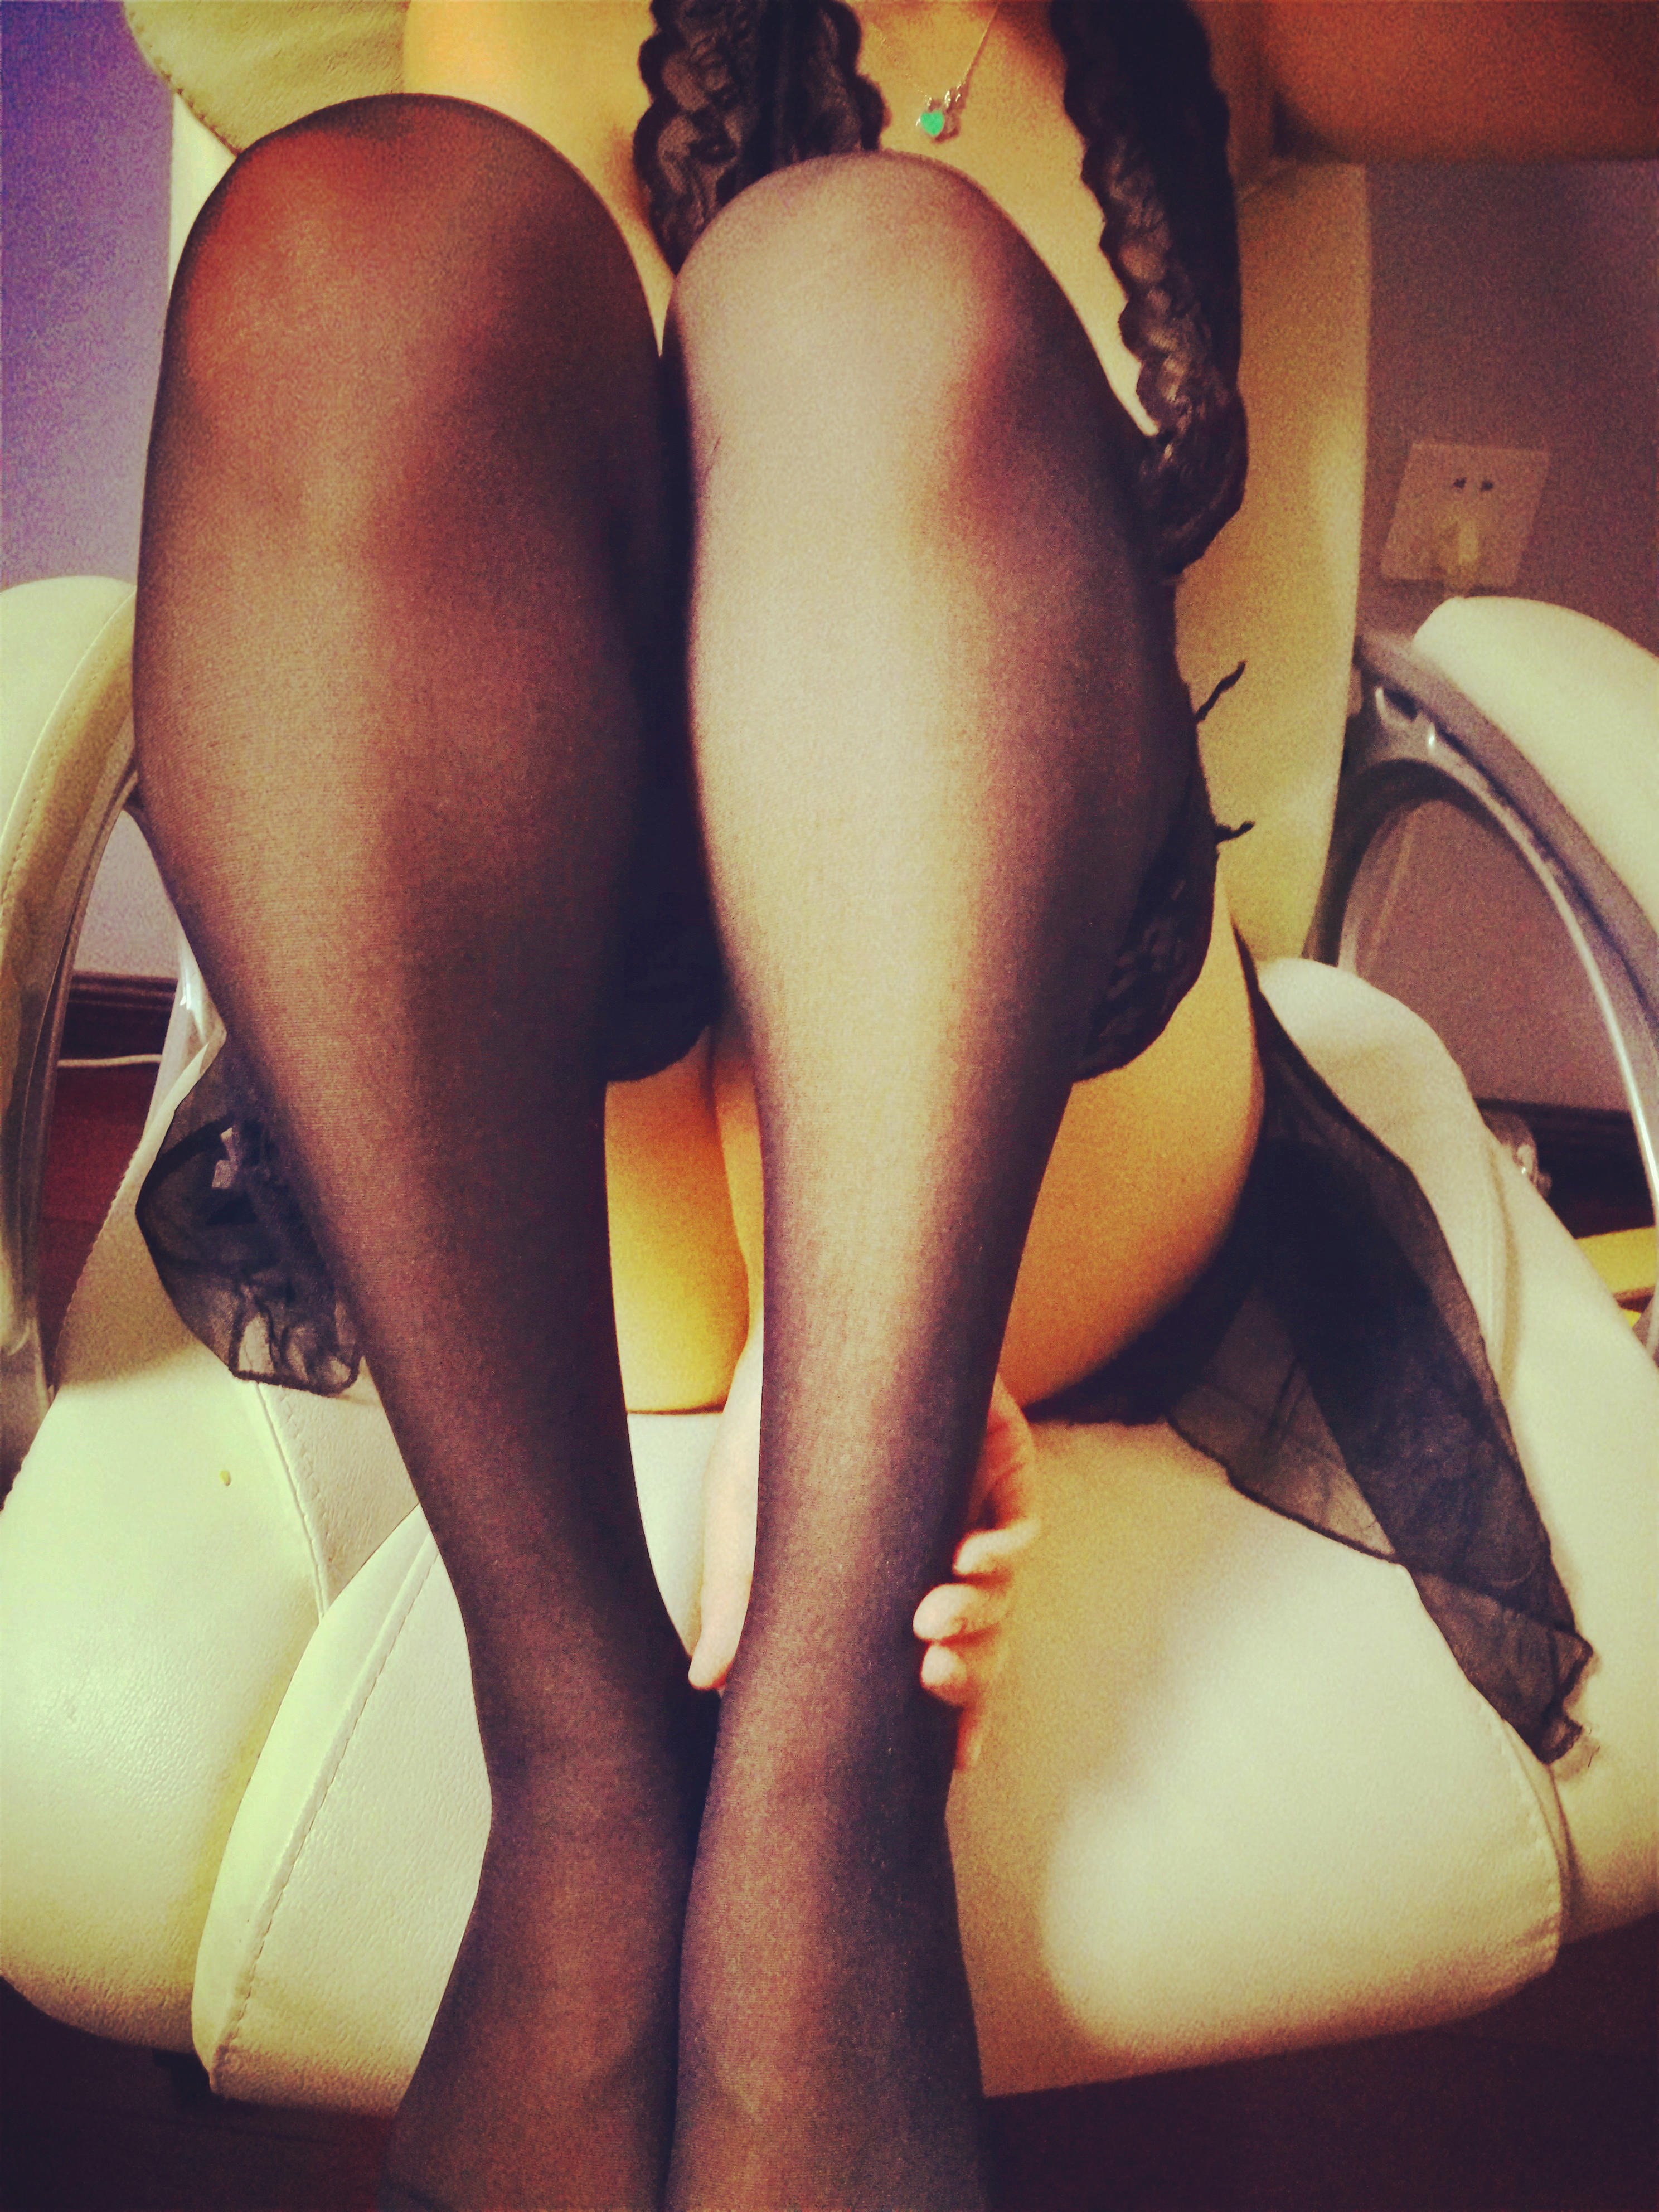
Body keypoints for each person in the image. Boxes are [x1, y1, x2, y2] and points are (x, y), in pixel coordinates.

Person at [122, 3, 1656, 2204]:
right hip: (588, 1125)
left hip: (1034, 1098)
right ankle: (577, 1753)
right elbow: (488, 601)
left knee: (877, 275)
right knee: (353, 249)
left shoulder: (1224, 28)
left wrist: (862, 1372)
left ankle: (827, 1782)